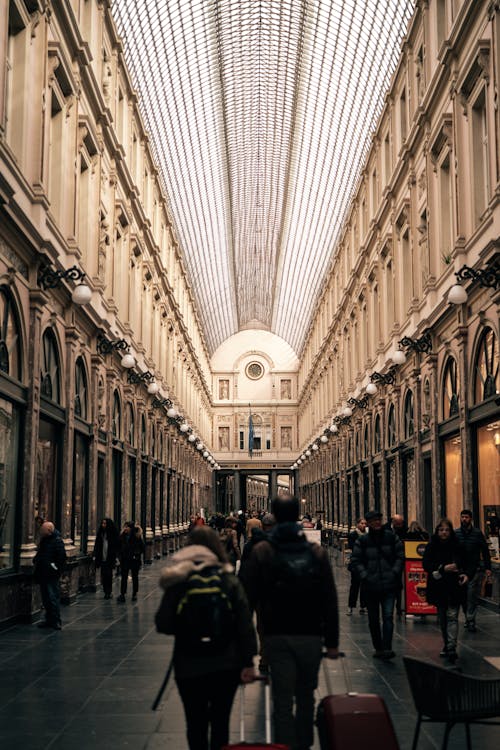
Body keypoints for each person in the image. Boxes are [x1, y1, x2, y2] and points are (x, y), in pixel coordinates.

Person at [240, 495, 339, 750]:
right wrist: (332, 643)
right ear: (297, 516)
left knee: (282, 701)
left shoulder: (263, 551)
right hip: (310, 636)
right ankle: (303, 745)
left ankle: (285, 745)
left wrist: (245, 653)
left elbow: (246, 603)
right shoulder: (315, 552)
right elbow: (329, 599)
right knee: (306, 698)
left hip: (277, 636)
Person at [157, 526, 257, 750]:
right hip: (226, 664)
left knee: (195, 724)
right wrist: (249, 662)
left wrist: (188, 626)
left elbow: (163, 623)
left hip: (189, 664)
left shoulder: (179, 580)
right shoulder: (228, 579)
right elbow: (244, 624)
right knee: (220, 723)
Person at [350, 510, 404, 660]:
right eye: (373, 520)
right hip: (371, 586)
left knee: (388, 616)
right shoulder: (363, 541)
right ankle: (378, 647)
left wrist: (394, 572)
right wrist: (365, 576)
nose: (377, 523)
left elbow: (400, 555)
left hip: (389, 584)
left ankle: (387, 648)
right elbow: (356, 561)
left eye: (379, 520)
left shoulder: (391, 537)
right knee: (373, 619)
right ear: (368, 523)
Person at [422, 519, 469, 663]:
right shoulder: (431, 546)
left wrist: (465, 573)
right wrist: (443, 568)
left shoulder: (457, 546)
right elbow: (426, 564)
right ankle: (446, 643)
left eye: (447, 530)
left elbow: (466, 562)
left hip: (454, 585)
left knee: (453, 616)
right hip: (439, 587)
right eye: (441, 530)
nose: (444, 532)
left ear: (451, 531)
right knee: (443, 618)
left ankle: (451, 646)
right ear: (437, 531)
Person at [454, 509, 492, 632]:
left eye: (466, 517)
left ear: (471, 519)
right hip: (460, 569)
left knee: (471, 595)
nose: (464, 519)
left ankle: (470, 620)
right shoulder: (456, 533)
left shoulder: (477, 533)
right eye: (462, 517)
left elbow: (485, 551)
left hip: (474, 569)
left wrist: (488, 567)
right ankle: (467, 617)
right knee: (463, 596)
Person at [33, 521, 67, 630]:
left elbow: (61, 558)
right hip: (43, 573)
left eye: (43, 529)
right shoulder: (45, 540)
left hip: (51, 575)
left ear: (49, 530)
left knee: (53, 597)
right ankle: (49, 620)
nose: (41, 531)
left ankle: (56, 621)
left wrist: (55, 569)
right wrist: (36, 560)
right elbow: (41, 554)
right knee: (46, 598)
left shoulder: (57, 541)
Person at [117, 521, 145, 602]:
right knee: (124, 577)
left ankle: (134, 593)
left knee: (135, 577)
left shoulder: (137, 537)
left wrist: (136, 554)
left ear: (131, 528)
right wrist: (119, 556)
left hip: (134, 560)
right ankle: (122, 594)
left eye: (127, 527)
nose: (125, 528)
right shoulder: (122, 536)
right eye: (125, 526)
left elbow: (142, 548)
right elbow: (118, 547)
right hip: (125, 560)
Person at [93, 518, 120, 599]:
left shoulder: (113, 534)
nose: (103, 525)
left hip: (110, 558)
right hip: (102, 558)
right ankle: (106, 591)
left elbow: (116, 546)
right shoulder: (100, 534)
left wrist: (116, 556)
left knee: (108, 574)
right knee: (104, 575)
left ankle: (108, 591)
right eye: (102, 523)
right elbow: (97, 546)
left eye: (105, 524)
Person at [346, 517, 367, 615]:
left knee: (364, 587)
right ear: (358, 524)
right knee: (354, 586)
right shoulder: (352, 535)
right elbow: (352, 548)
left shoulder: (368, 535)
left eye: (365, 523)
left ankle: (363, 606)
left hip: (366, 564)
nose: (364, 525)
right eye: (362, 523)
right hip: (356, 565)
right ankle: (350, 606)